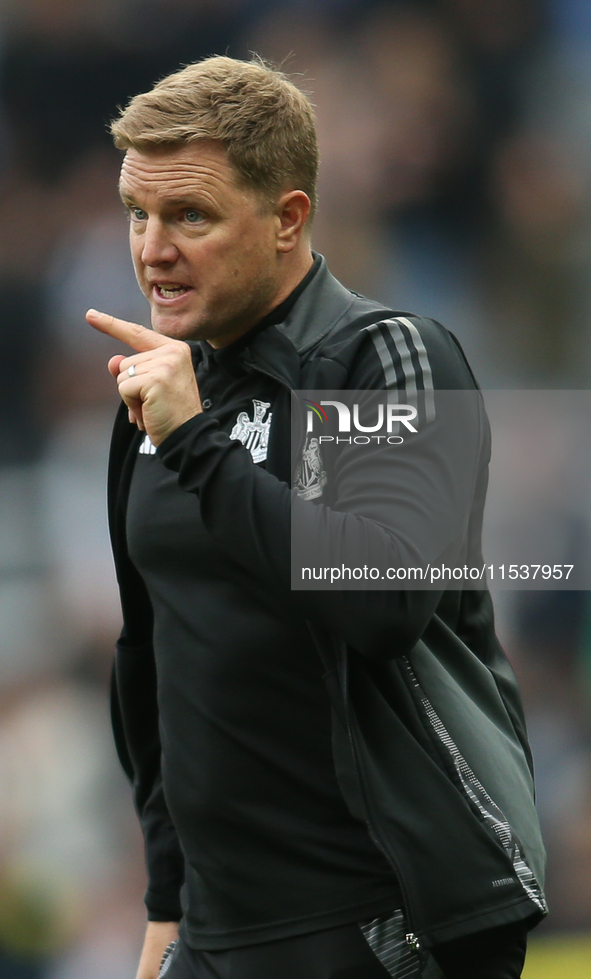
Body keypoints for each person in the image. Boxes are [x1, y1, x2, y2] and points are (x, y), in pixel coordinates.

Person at [87, 56, 547, 979]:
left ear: (288, 217)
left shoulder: (379, 356)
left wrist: (196, 441)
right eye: (139, 213)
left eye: (191, 216)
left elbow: (382, 599)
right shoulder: (164, 394)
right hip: (218, 933)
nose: (152, 249)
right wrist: (166, 902)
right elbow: (155, 655)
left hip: (386, 923)